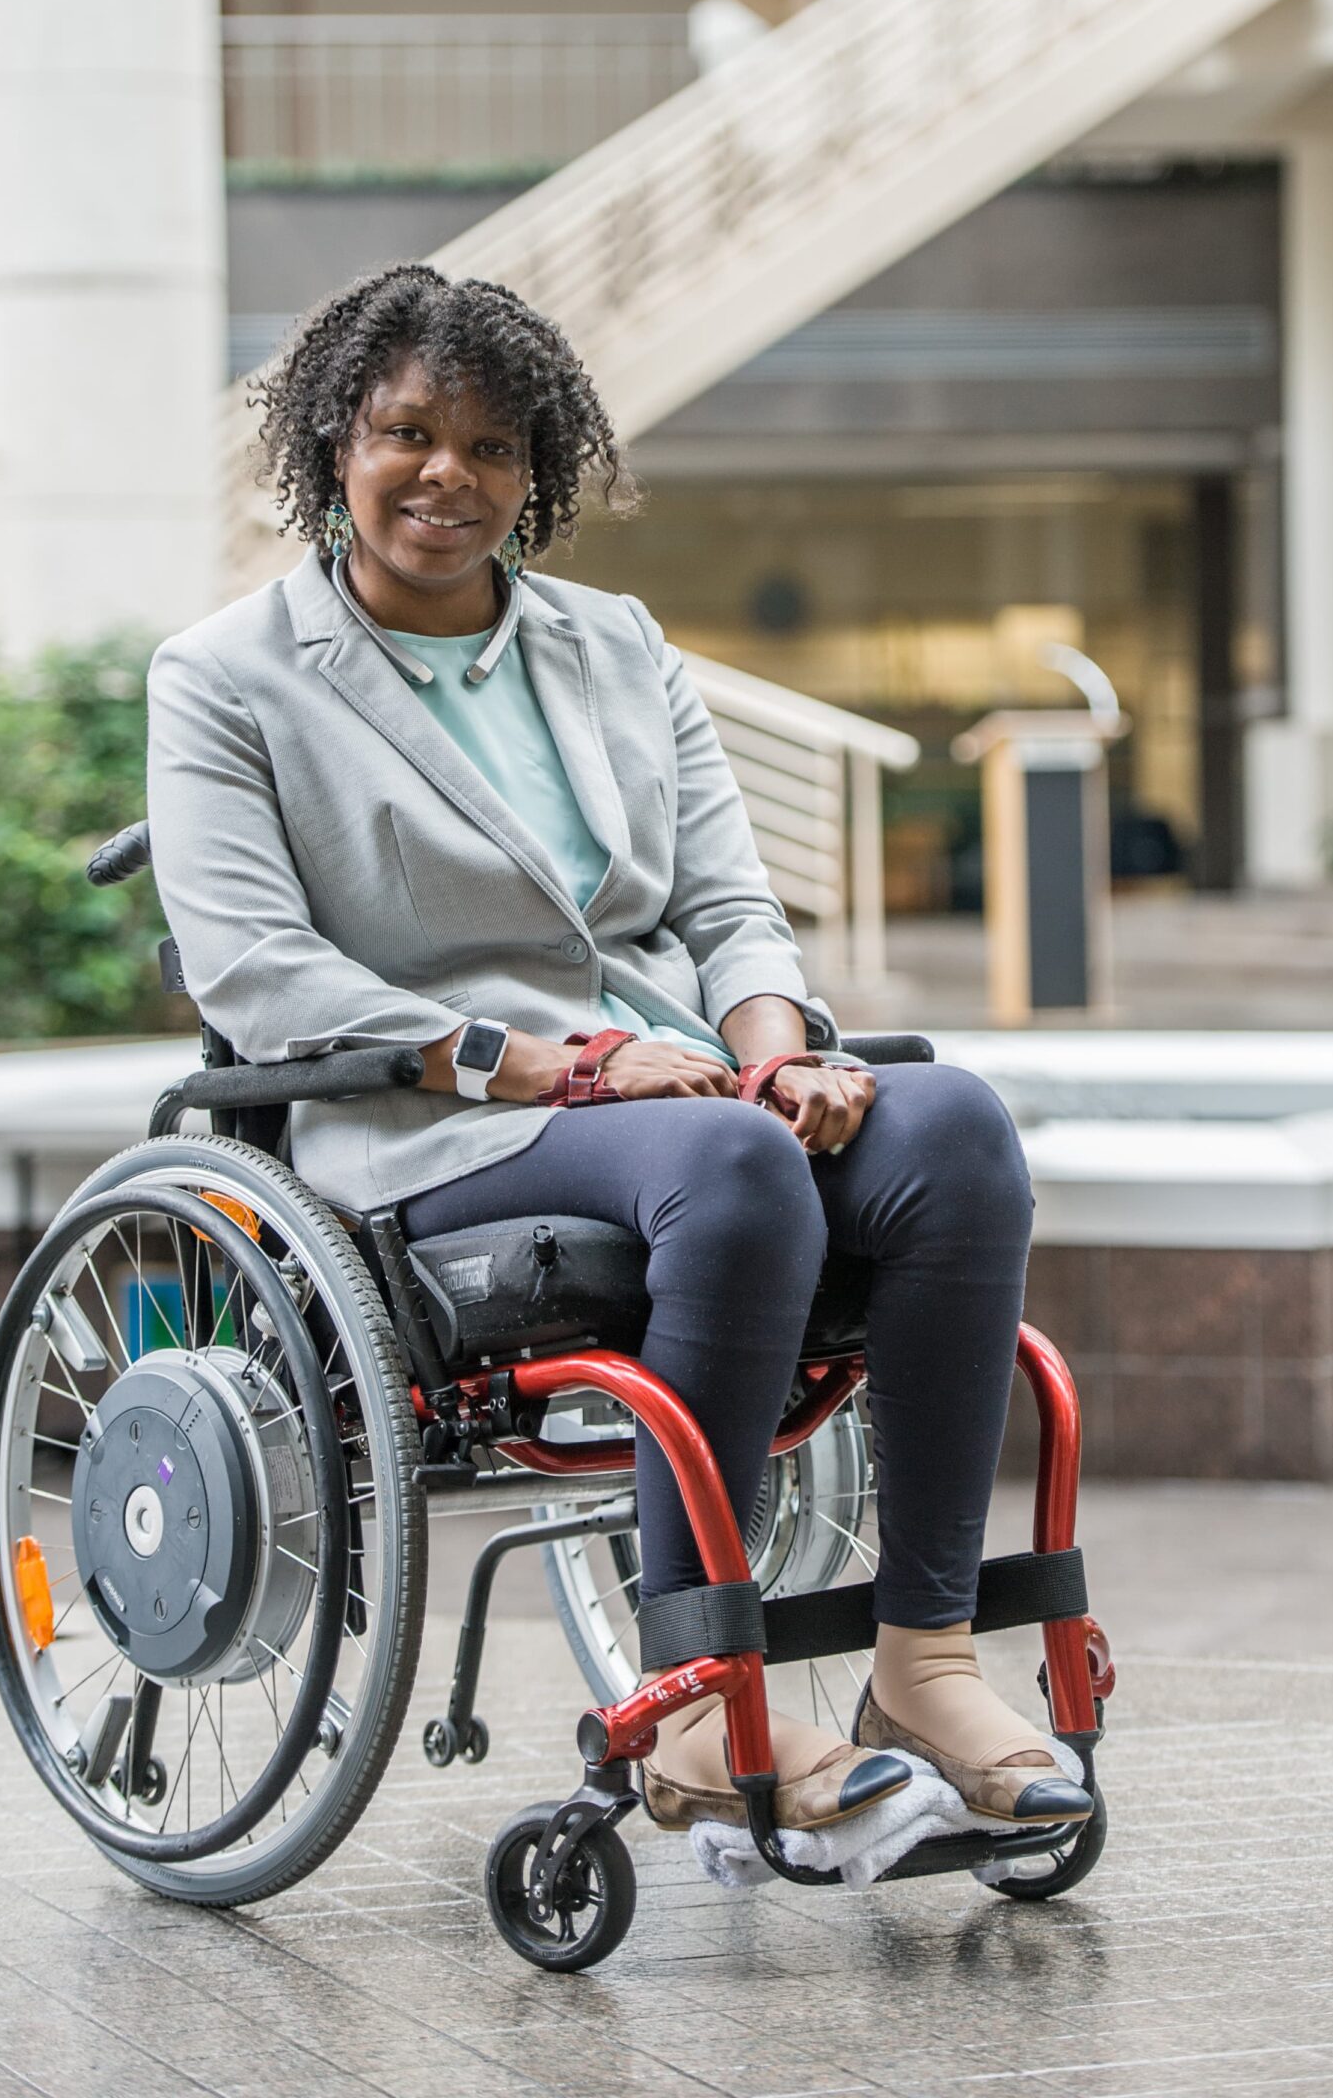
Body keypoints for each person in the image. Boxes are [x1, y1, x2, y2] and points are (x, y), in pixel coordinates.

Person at [148, 264, 1091, 1840]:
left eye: (494, 447)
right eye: (406, 435)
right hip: (438, 1124)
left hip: (685, 1094)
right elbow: (261, 975)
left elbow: (728, 900)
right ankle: (705, 1712)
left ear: (538, 472)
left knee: (951, 1130)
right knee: (727, 1163)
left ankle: (923, 1654)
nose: (449, 475)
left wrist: (782, 1047)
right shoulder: (229, 677)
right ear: (335, 442)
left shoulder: (615, 643)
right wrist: (558, 1067)